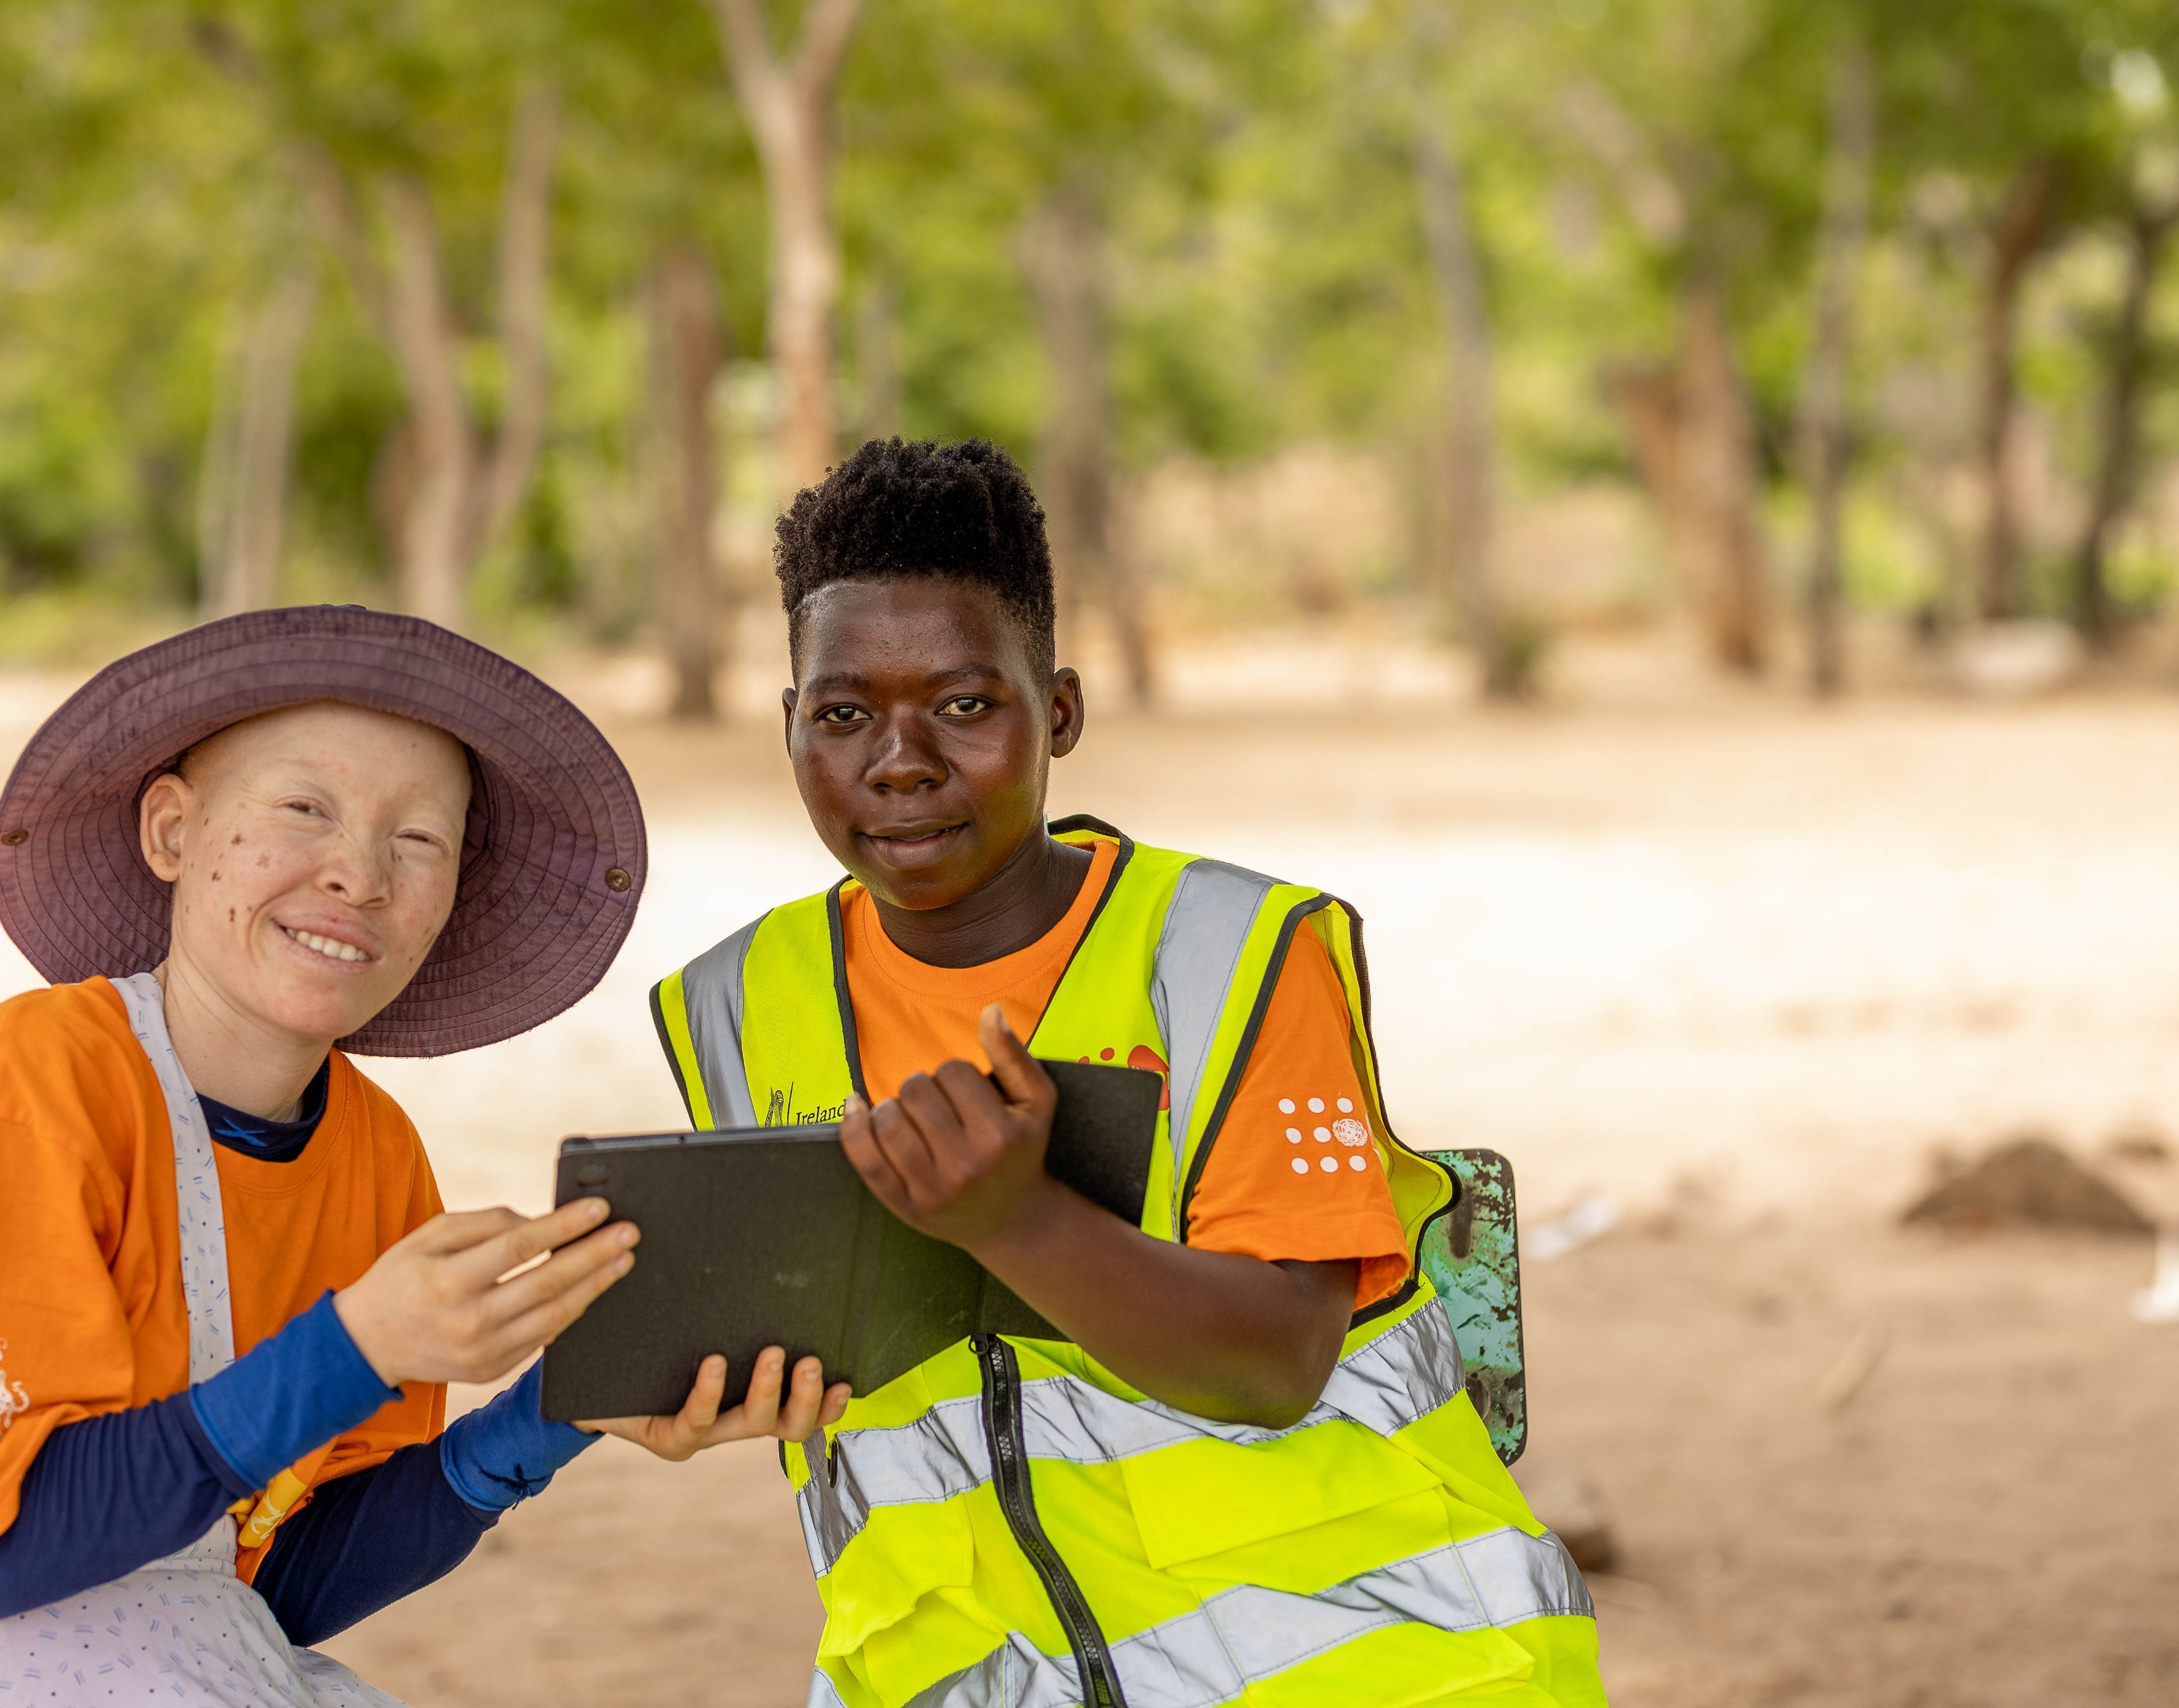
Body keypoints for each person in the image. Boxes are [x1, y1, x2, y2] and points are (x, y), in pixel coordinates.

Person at [650, 441, 1605, 1708]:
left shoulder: (1231, 957)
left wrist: (1019, 1219)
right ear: (788, 725)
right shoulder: (733, 1003)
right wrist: (704, 1386)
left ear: (1059, 709)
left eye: (962, 704)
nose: (898, 760)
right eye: (842, 713)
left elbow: (1272, 1365)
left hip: (1366, 1659)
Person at [0, 605, 844, 1708]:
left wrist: (558, 1409)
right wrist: (356, 1345)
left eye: (419, 840)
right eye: (305, 809)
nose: (359, 873)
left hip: (194, 1659)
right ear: (172, 832)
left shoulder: (378, 1153)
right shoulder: (32, 1078)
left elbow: (272, 1580)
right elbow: (5, 1557)